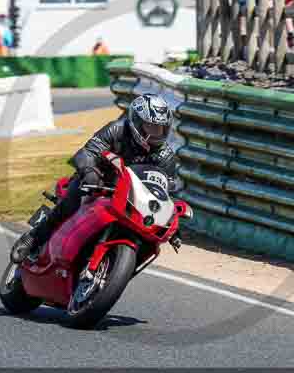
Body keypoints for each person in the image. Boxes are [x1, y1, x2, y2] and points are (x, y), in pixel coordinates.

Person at [10, 94, 177, 263]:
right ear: (137, 123)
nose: (157, 134)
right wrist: (90, 172)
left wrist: (170, 220)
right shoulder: (116, 130)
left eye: (161, 129)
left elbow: (166, 190)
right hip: (99, 181)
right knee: (72, 202)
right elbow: (88, 152)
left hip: (132, 197)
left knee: (148, 239)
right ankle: (34, 237)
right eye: (151, 128)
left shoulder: (166, 155)